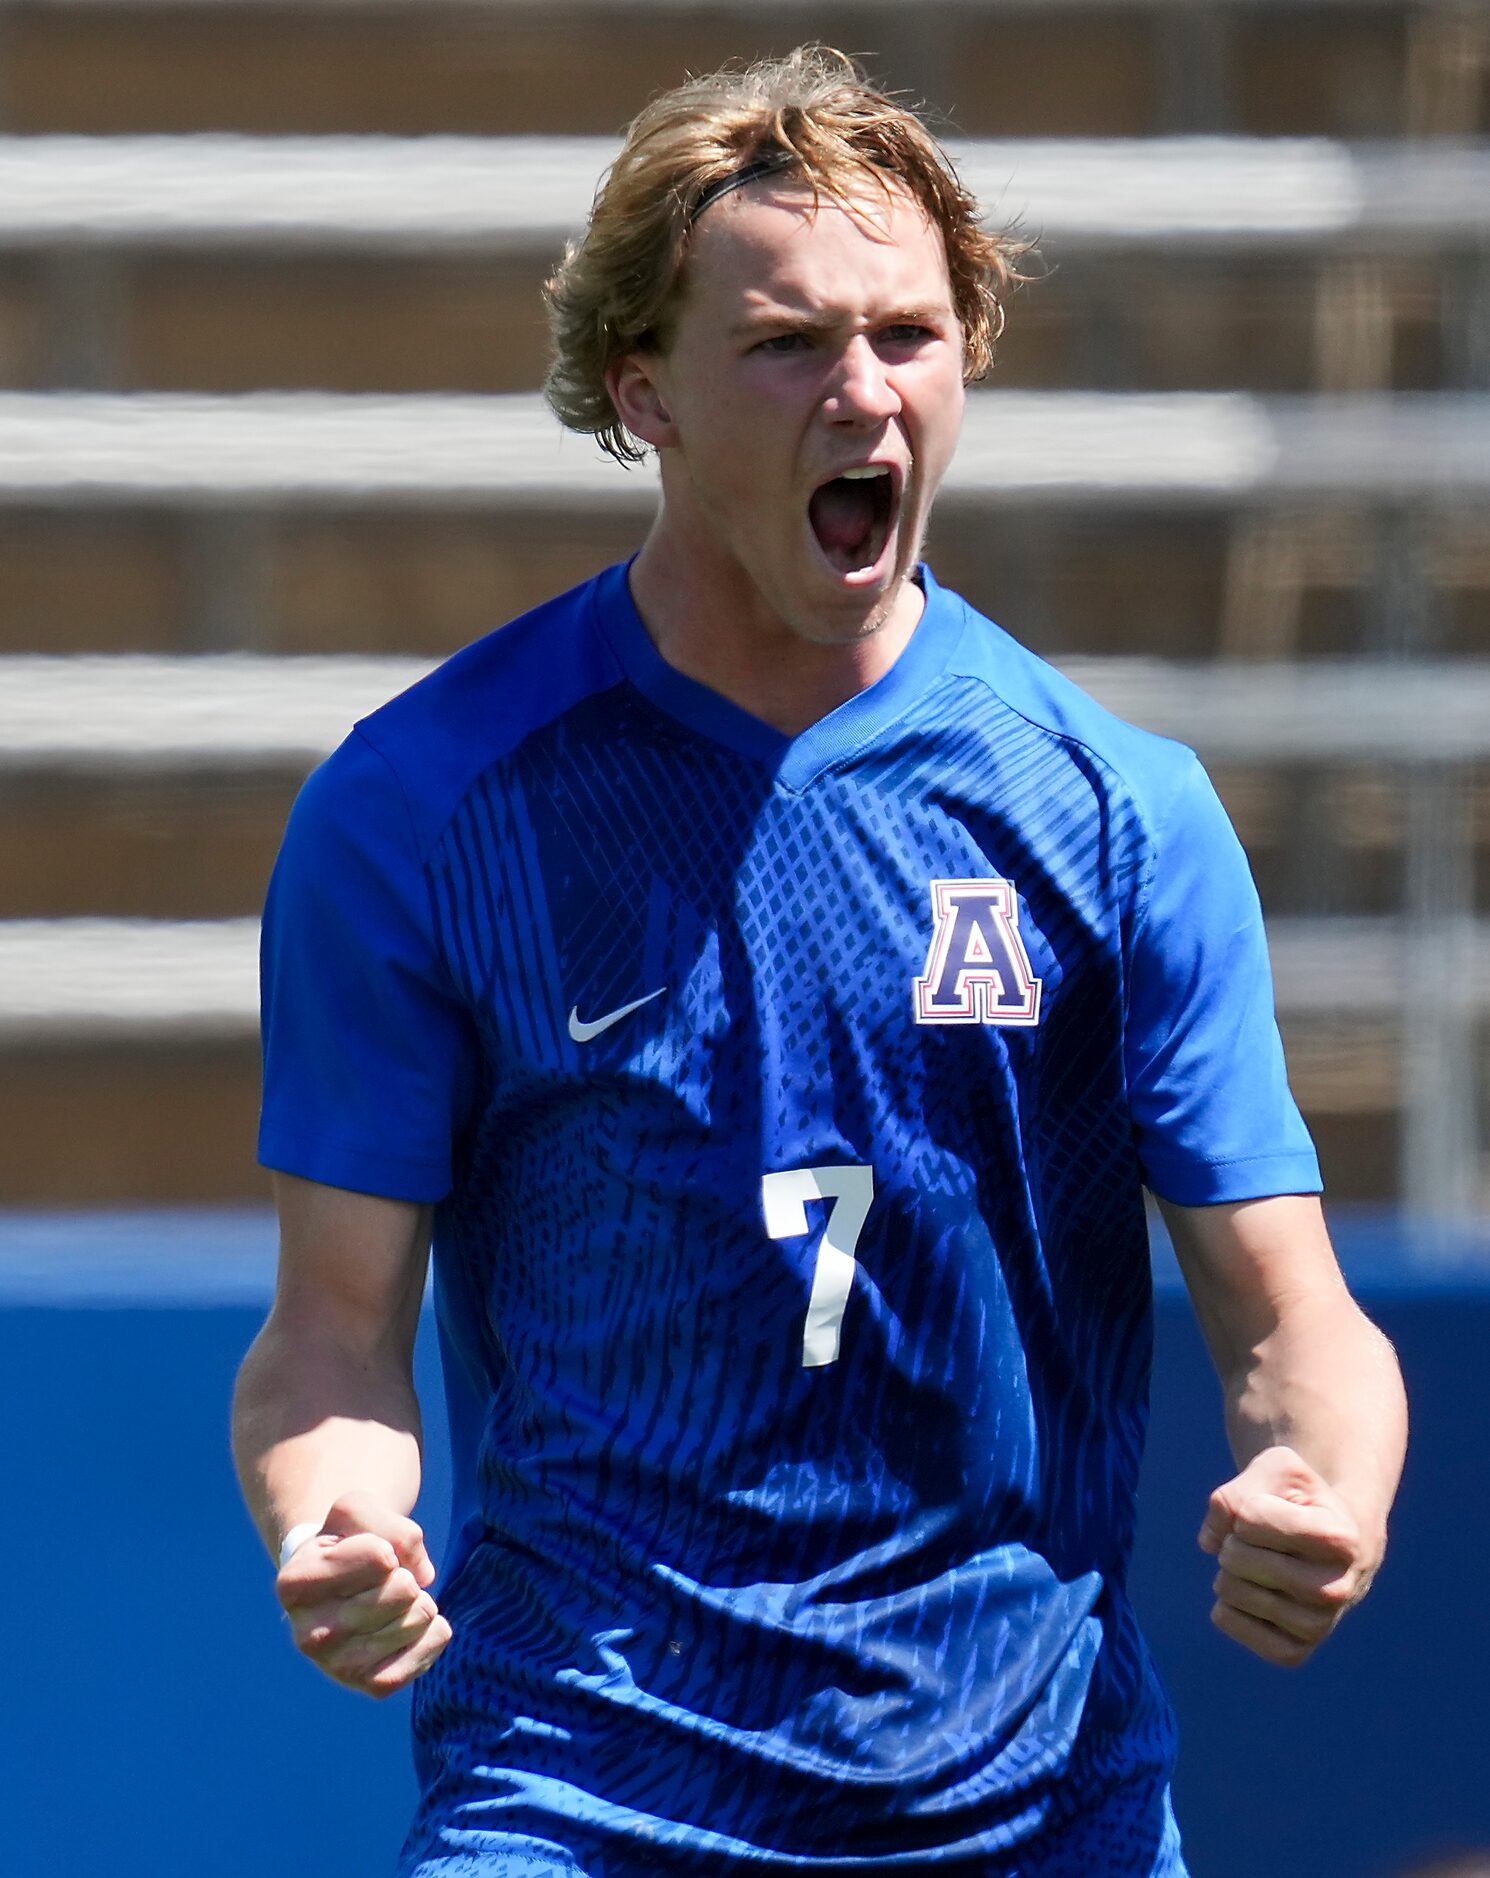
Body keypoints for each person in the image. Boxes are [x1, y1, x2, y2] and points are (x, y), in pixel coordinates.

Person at [232, 48, 1407, 1876]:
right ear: (645, 395)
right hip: (582, 1792)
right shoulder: (420, 809)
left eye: (910, 336)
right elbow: (328, 1335)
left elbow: (1292, 1318)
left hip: (1031, 1804)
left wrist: (1322, 1480)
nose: (861, 391)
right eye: (786, 342)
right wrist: (334, 1516)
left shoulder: (1114, 814)